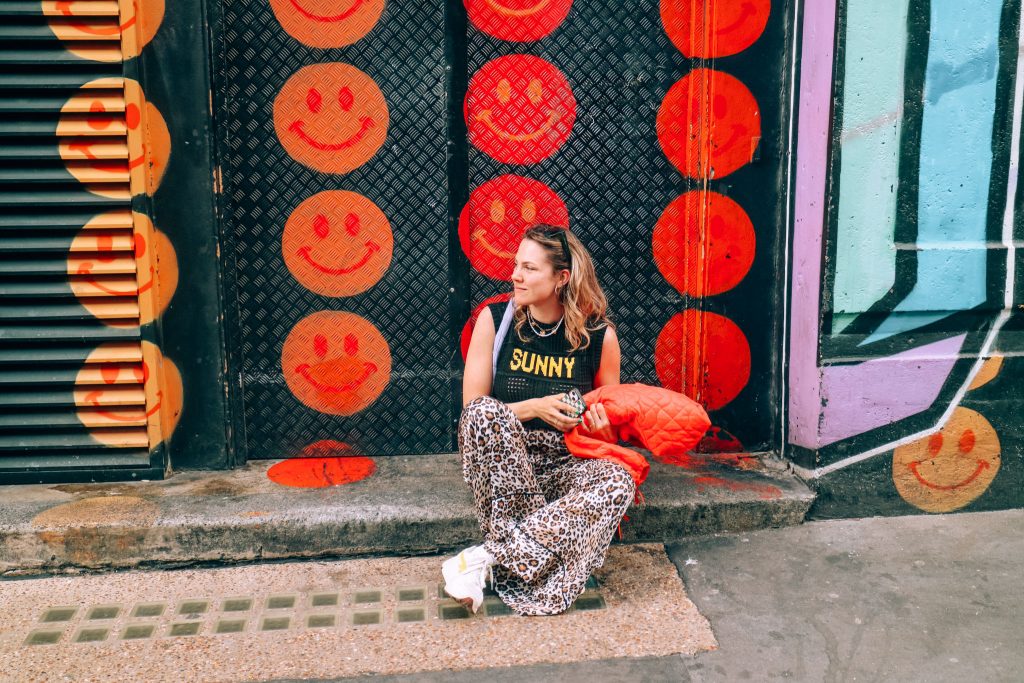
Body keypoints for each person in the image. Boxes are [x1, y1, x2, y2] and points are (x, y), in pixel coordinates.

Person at [442, 224, 635, 616]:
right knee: (482, 412)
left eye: (529, 268)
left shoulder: (600, 338)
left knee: (619, 480)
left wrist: (600, 427)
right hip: (506, 464)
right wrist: (535, 407)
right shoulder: (493, 321)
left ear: (561, 278)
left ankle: (485, 557)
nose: (515, 275)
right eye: (516, 265)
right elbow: (474, 416)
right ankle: (519, 551)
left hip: (565, 461)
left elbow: (610, 429)